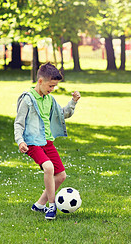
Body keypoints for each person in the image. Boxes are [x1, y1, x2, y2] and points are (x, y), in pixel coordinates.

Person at [14, 63, 81, 220]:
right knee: (49, 167)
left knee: (61, 176)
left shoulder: (49, 99)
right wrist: (20, 141)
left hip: (47, 142)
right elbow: (19, 122)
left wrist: (73, 102)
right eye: (50, 85)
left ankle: (39, 205)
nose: (52, 89)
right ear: (40, 81)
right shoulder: (28, 100)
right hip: (32, 142)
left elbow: (63, 114)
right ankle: (52, 206)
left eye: (54, 86)